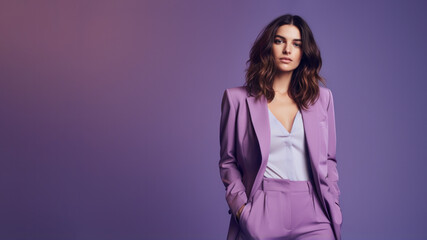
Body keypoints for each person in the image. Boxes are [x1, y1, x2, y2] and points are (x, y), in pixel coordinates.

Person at [218, 14, 342, 240]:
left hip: (313, 211)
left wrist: (333, 202)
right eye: (279, 41)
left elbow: (329, 160)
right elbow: (228, 161)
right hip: (262, 210)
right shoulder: (236, 99)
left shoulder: (322, 100)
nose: (287, 50)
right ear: (268, 47)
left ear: (304, 53)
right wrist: (241, 209)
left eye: (296, 44)